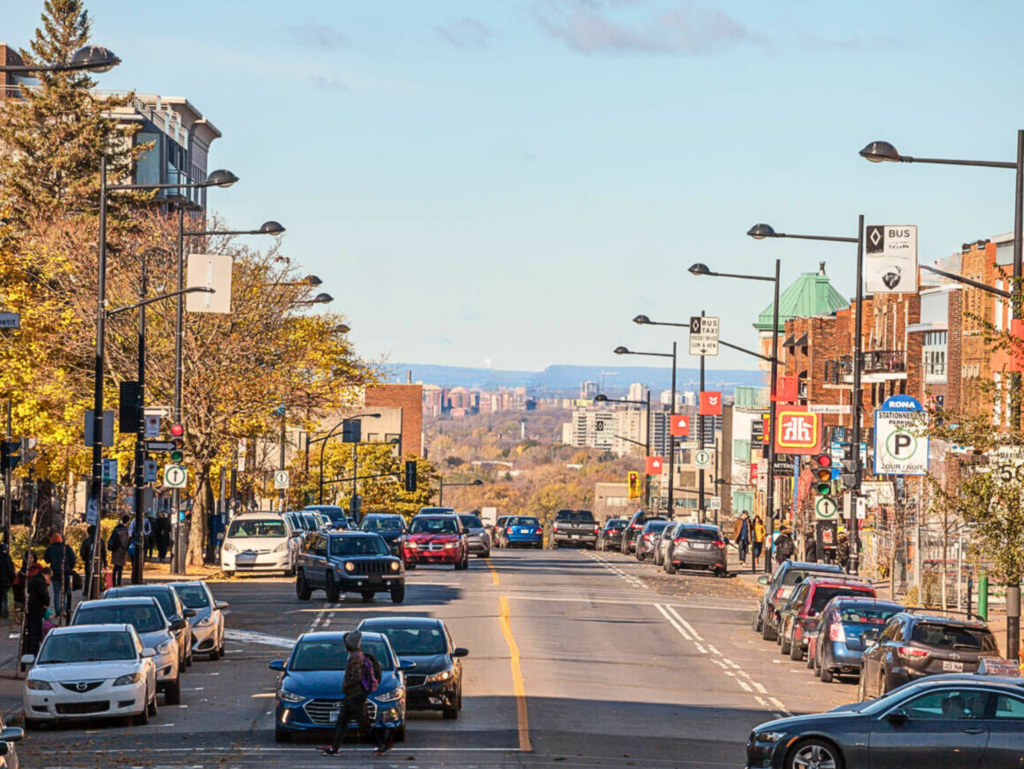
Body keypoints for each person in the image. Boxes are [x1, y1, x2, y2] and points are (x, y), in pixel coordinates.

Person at [321, 631, 390, 756]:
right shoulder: (359, 654)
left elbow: (355, 677)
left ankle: (382, 742)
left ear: (350, 644)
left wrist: (346, 686)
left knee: (362, 723)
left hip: (355, 694)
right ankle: (334, 748)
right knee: (342, 720)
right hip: (353, 694)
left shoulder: (354, 657)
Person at [42, 533, 76, 623]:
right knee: (65, 592)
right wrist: (70, 567)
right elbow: (73, 559)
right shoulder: (67, 548)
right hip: (66, 572)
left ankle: (58, 612)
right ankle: (64, 609)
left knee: (56, 593)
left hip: (55, 573)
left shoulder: (50, 549)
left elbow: (46, 559)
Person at [25, 564, 51, 657]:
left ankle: (31, 651)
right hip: (37, 608)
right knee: (37, 631)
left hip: (32, 607)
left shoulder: (34, 580)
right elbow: (43, 594)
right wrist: (46, 602)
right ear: (47, 574)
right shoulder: (41, 582)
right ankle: (35, 652)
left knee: (32, 630)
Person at [80, 524, 107, 599]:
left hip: (88, 561)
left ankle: (87, 590)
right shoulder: (100, 541)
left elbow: (82, 552)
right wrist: (105, 563)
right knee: (97, 575)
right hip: (98, 561)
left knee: (88, 576)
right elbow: (104, 552)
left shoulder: (86, 541)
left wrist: (85, 558)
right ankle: (97, 590)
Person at [109, 515, 130, 587]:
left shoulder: (116, 528)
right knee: (120, 568)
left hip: (115, 549)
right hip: (121, 550)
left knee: (115, 567)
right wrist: (126, 548)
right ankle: (118, 582)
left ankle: (114, 582)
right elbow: (124, 542)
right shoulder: (124, 530)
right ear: (127, 521)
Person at [0, 544, 14, 619]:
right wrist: (12, 580)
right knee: (4, 597)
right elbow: (10, 571)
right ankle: (4, 612)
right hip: (4, 581)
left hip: (3, 580)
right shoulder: (7, 558)